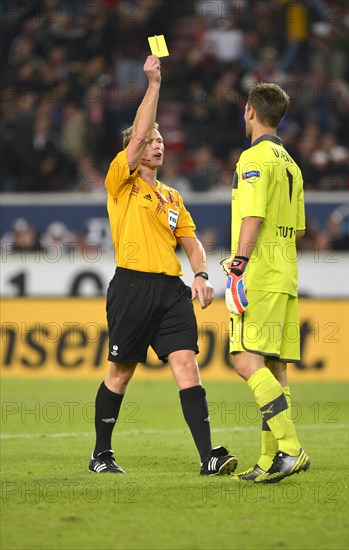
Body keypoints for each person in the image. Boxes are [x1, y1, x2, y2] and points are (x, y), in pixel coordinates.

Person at [89, 55, 237, 476]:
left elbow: (192, 245)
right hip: (131, 288)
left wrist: (203, 275)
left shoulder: (173, 196)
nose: (157, 144)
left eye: (160, 139)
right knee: (120, 373)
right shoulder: (121, 183)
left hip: (170, 292)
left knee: (187, 364)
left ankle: (208, 456)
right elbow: (135, 136)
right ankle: (101, 453)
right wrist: (153, 84)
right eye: (150, 140)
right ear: (133, 151)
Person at [224, 82, 310, 483]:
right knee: (275, 370)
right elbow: (299, 229)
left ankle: (290, 449)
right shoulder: (291, 163)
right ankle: (267, 458)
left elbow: (253, 215)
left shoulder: (254, 158)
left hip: (258, 275)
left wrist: (239, 263)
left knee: (244, 360)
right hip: (285, 274)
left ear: (250, 111)